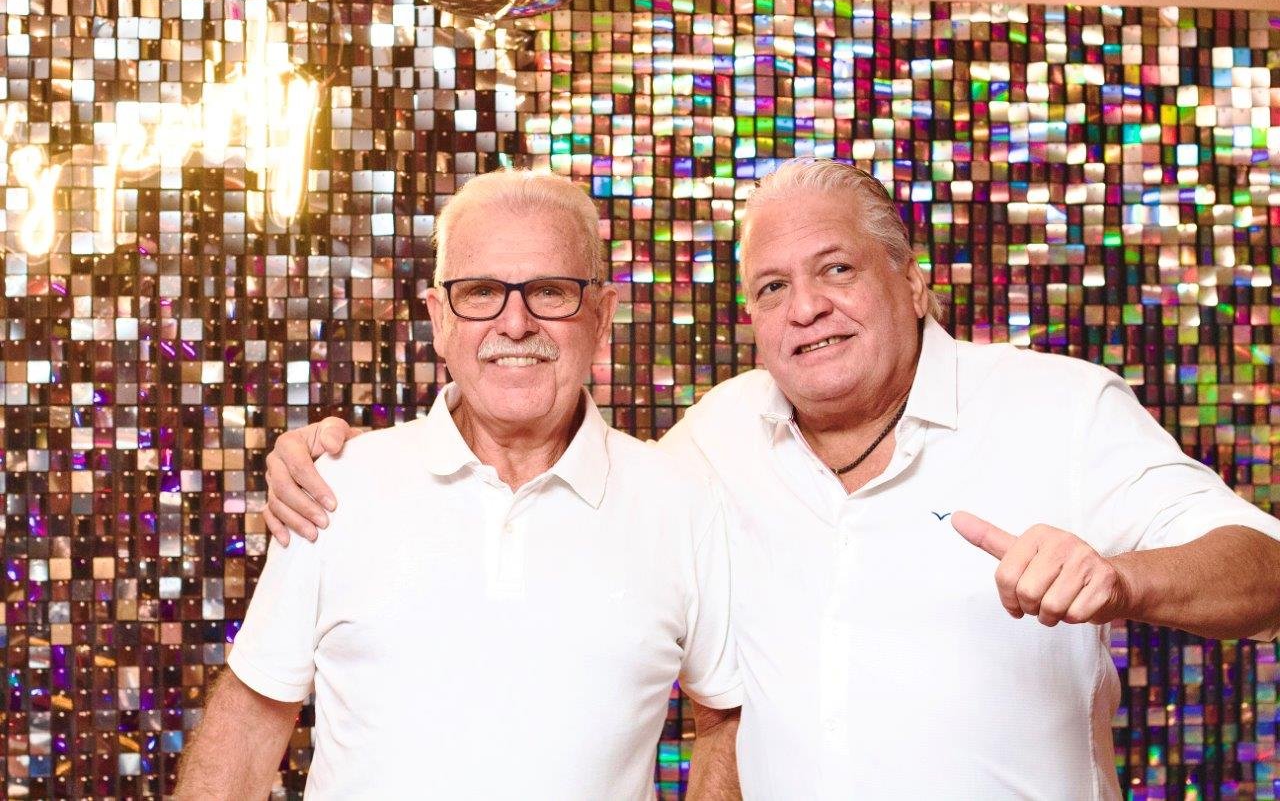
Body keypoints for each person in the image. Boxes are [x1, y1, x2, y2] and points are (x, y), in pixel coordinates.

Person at [262, 159, 1280, 799]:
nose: (806, 308)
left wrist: (1121, 578)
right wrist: (321, 453)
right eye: (770, 286)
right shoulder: (716, 438)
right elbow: (546, 459)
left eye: (835, 269)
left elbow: (1264, 570)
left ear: (912, 280)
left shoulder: (1058, 408)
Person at [176, 170, 742, 799]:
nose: (515, 323)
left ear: (602, 316)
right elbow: (251, 719)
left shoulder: (683, 501)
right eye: (481, 293)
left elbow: (724, 718)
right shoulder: (334, 487)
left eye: (550, 292)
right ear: (440, 319)